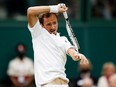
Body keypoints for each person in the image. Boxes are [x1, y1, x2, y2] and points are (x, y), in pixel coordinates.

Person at [27, 3, 89, 87]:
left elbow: (71, 52)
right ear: (41, 25)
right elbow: (30, 11)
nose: (53, 27)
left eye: (54, 23)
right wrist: (55, 8)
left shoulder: (63, 40)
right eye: (48, 24)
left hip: (64, 84)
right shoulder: (38, 33)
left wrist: (77, 55)